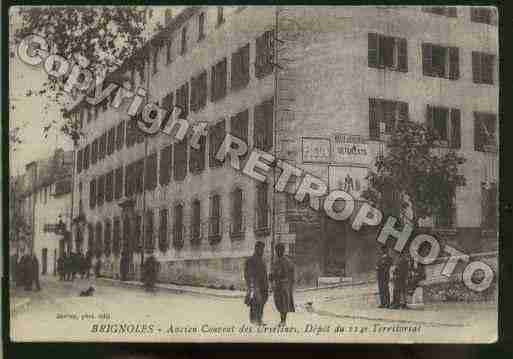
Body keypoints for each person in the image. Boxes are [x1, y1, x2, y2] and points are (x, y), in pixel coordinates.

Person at [244, 241, 269, 325]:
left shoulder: (262, 260)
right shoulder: (251, 260)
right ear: (256, 249)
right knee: (255, 303)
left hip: (263, 286)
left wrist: (267, 284)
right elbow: (248, 274)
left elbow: (264, 273)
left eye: (263, 249)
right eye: (261, 249)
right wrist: (252, 287)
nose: (262, 251)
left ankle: (258, 319)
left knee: (261, 303)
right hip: (256, 286)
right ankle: (254, 320)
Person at [270, 243, 295, 326]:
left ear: (282, 251)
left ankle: (283, 321)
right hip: (279, 285)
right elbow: (272, 273)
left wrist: (289, 284)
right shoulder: (276, 261)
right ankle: (282, 320)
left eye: (279, 250)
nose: (277, 252)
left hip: (284, 285)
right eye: (276, 250)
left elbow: (291, 272)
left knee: (283, 303)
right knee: (279, 303)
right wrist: (271, 278)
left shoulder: (287, 261)